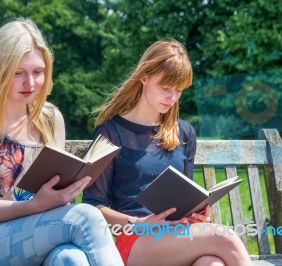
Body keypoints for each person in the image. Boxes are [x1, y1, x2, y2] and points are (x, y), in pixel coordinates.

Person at [0, 18, 123, 266]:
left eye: (38, 72)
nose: (31, 83)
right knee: (86, 217)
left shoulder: (49, 119)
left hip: (36, 232)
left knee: (71, 259)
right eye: (18, 73)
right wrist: (38, 204)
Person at [82, 39, 253, 266]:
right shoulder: (111, 133)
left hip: (180, 236)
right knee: (226, 237)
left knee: (212, 264)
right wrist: (139, 222)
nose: (172, 98)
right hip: (137, 239)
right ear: (144, 77)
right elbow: (93, 206)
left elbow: (187, 197)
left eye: (178, 91)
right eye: (165, 88)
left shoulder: (184, 133)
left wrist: (198, 213)